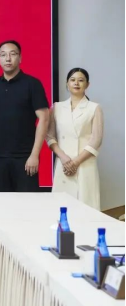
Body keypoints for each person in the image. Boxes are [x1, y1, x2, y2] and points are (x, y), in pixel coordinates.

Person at [0, 40, 50, 192]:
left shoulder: (32, 84)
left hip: (25, 157)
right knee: (1, 203)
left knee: (27, 203)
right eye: (3, 55)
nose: (8, 58)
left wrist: (34, 155)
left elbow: (44, 118)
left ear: (20, 58)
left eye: (12, 54)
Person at [47, 68, 103, 210]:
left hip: (84, 164)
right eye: (72, 80)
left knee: (86, 207)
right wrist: (64, 158)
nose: (76, 83)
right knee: (61, 207)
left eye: (81, 80)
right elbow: (50, 136)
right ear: (67, 83)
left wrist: (75, 162)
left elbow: (96, 139)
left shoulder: (94, 108)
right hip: (63, 163)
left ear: (87, 84)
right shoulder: (57, 107)